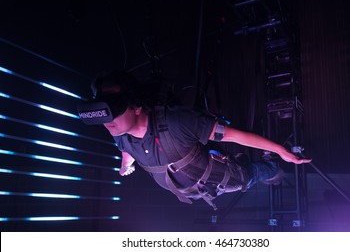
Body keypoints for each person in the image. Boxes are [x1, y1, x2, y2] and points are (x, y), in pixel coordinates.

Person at [78, 70, 311, 210]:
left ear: (136, 106)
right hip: (191, 189)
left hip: (217, 176)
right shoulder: (119, 133)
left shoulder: (177, 122)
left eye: (114, 109)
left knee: (248, 177)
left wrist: (281, 150)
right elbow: (126, 149)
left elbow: (236, 135)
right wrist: (125, 165)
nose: (108, 122)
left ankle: (270, 166)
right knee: (239, 170)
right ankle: (244, 161)